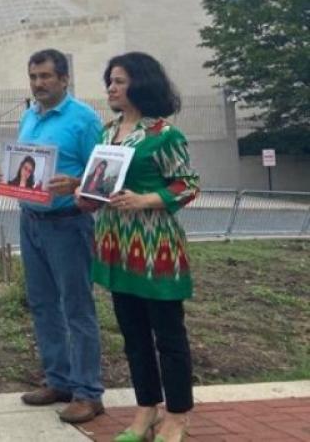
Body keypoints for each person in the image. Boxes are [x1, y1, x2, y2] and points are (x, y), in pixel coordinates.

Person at [77, 52, 200, 442]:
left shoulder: (164, 135)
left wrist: (144, 199)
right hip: (116, 246)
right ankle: (146, 410)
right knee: (133, 336)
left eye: (119, 81)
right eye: (109, 81)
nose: (111, 88)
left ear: (141, 85)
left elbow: (188, 184)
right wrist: (84, 195)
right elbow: (99, 184)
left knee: (169, 336)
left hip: (154, 248)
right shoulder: (105, 132)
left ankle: (177, 415)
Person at [0, 48, 105, 424]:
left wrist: (74, 183)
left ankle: (88, 393)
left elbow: (101, 175)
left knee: (77, 308)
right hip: (32, 222)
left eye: (46, 77)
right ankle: (59, 380)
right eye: (34, 77)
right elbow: (28, 167)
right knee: (42, 304)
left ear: (64, 79)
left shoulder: (84, 119)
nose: (38, 84)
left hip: (69, 224)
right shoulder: (30, 115)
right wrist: (6, 179)